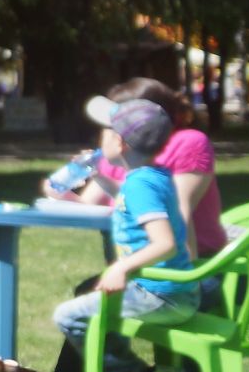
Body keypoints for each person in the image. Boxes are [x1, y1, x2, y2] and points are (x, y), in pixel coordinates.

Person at [49, 99, 195, 372]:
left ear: (120, 141)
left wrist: (122, 267)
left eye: (106, 131)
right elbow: (130, 203)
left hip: (158, 293)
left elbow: (165, 243)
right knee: (96, 312)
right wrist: (99, 177)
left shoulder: (141, 184)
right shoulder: (150, 177)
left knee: (68, 316)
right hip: (169, 290)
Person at [43, 77, 227, 265]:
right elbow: (88, 205)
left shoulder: (188, 142)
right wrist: (61, 190)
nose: (107, 130)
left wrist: (188, 277)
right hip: (138, 265)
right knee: (86, 290)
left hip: (193, 265)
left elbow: (179, 210)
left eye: (113, 124)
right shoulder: (116, 157)